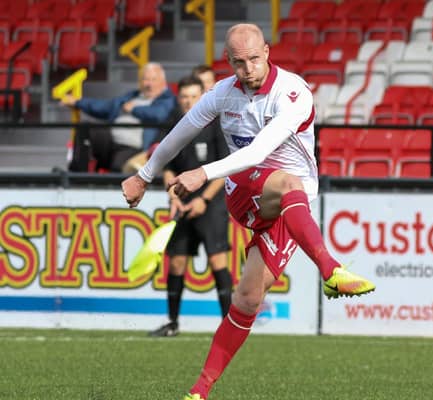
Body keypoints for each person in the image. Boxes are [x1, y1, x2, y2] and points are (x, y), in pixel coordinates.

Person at [121, 23, 375, 400]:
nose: (248, 69)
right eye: (238, 63)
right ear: (228, 62)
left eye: (254, 59)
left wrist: (202, 173)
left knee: (247, 300)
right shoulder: (222, 93)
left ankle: (199, 391)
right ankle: (331, 270)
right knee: (288, 183)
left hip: (291, 206)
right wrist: (143, 176)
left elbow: (259, 150)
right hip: (246, 192)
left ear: (268, 52)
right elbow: (180, 132)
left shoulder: (294, 94)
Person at [149, 76, 232, 337]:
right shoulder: (175, 126)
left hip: (212, 202)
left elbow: (226, 168)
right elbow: (167, 166)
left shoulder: (217, 125)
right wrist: (173, 196)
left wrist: (204, 199)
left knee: (217, 261)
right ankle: (172, 323)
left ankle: (229, 327)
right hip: (183, 204)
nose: (188, 101)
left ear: (202, 97)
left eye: (193, 96)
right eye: (184, 96)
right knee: (176, 263)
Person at [61, 62, 176, 172]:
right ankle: (77, 175)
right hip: (110, 139)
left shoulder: (167, 99)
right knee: (84, 128)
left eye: (153, 79)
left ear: (163, 82)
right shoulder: (132, 96)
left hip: (134, 147)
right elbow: (105, 107)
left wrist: (134, 109)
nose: (149, 84)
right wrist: (78, 102)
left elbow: (159, 115)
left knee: (118, 168)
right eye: (146, 79)